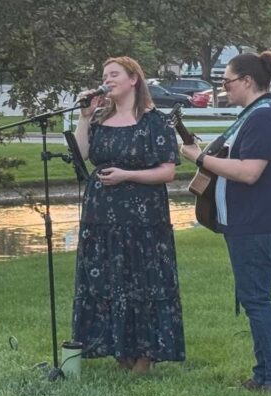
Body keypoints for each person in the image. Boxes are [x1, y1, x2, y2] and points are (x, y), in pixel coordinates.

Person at [179, 50, 271, 392]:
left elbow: (249, 172)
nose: (224, 88)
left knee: (257, 300)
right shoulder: (254, 114)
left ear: (247, 81)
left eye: (227, 82)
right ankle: (263, 374)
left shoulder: (264, 116)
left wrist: (199, 158)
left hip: (257, 223)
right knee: (253, 298)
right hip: (247, 222)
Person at [71, 56, 185, 374]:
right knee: (108, 281)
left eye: (114, 74)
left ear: (134, 79)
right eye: (104, 75)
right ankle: (118, 349)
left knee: (143, 282)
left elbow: (167, 172)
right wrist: (84, 117)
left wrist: (127, 175)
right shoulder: (99, 120)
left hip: (143, 218)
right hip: (101, 216)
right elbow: (80, 156)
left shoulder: (154, 122)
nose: (107, 80)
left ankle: (146, 354)